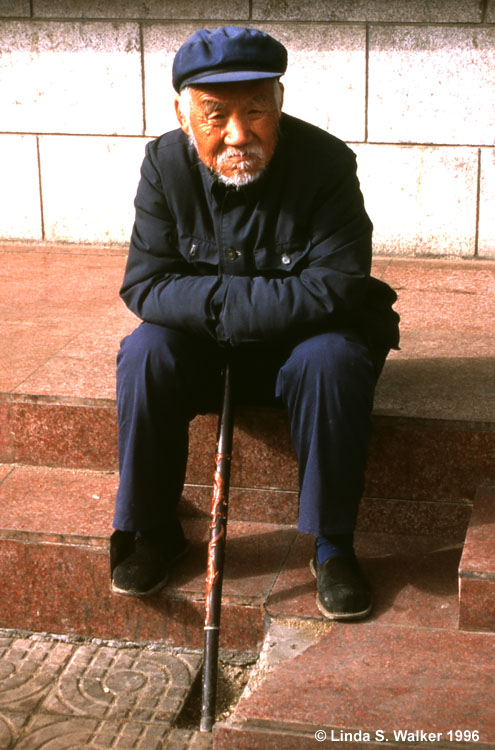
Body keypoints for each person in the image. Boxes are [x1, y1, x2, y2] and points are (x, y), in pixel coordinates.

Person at [110, 26, 400, 621]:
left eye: (256, 112)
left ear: (280, 105)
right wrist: (232, 310)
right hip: (205, 349)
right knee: (145, 353)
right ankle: (153, 530)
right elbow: (145, 283)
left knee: (335, 359)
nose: (238, 135)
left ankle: (332, 544)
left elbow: (339, 284)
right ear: (183, 115)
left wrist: (218, 304)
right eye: (215, 116)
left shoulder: (326, 163)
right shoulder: (164, 165)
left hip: (299, 348)